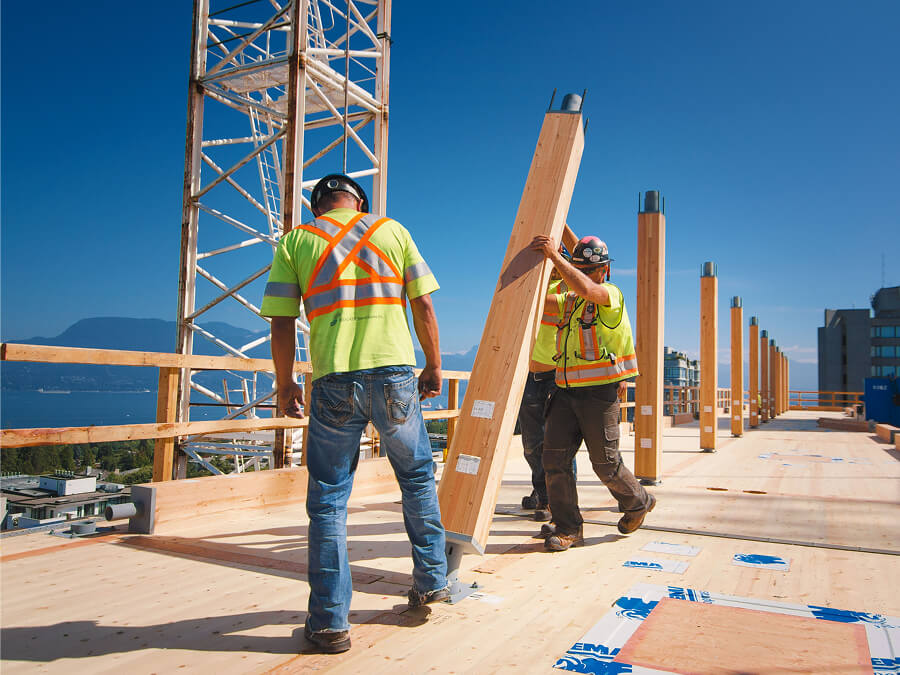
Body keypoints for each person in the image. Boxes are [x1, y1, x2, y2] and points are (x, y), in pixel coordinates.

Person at [261, 174, 449, 653]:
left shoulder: (296, 242)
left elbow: (281, 323)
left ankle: (328, 622)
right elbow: (423, 303)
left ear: (317, 205)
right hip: (393, 372)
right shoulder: (391, 230)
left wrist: (285, 384)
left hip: (332, 378)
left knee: (327, 499)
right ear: (359, 202)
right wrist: (433, 365)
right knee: (417, 478)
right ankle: (431, 581)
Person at [529, 234, 656, 551]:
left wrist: (555, 258)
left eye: (590, 270)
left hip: (599, 395)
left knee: (605, 464)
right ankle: (569, 528)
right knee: (553, 460)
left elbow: (586, 288)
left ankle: (637, 501)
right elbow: (541, 301)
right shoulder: (570, 302)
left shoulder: (610, 295)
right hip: (565, 391)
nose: (585, 275)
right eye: (580, 268)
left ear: (605, 271)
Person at [518, 269, 576, 522]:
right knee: (531, 446)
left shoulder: (569, 290)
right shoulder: (532, 284)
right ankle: (542, 493)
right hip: (529, 375)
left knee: (558, 445)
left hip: (557, 376)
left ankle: (560, 503)